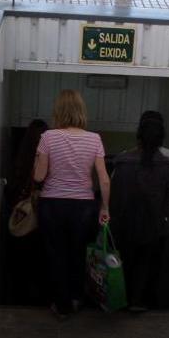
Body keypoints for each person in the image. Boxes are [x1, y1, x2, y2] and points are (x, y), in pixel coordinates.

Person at [33, 90, 110, 318]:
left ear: (58, 111)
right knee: (78, 253)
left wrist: (37, 161)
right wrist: (104, 208)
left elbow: (39, 176)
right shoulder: (94, 139)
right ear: (81, 111)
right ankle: (77, 298)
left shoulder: (48, 137)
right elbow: (104, 179)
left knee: (56, 254)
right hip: (83, 207)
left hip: (53, 204)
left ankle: (62, 304)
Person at [109, 112, 169, 312]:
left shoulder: (122, 161)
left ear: (138, 136)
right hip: (153, 226)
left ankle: (120, 300)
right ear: (161, 138)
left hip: (124, 224)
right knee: (145, 264)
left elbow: (112, 192)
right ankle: (138, 301)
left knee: (124, 262)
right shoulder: (166, 164)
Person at [2, 119, 48, 305]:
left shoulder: (20, 161)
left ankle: (19, 298)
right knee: (40, 264)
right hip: (39, 224)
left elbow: (12, 190)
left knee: (20, 265)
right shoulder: (45, 160)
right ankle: (39, 300)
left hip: (22, 221)